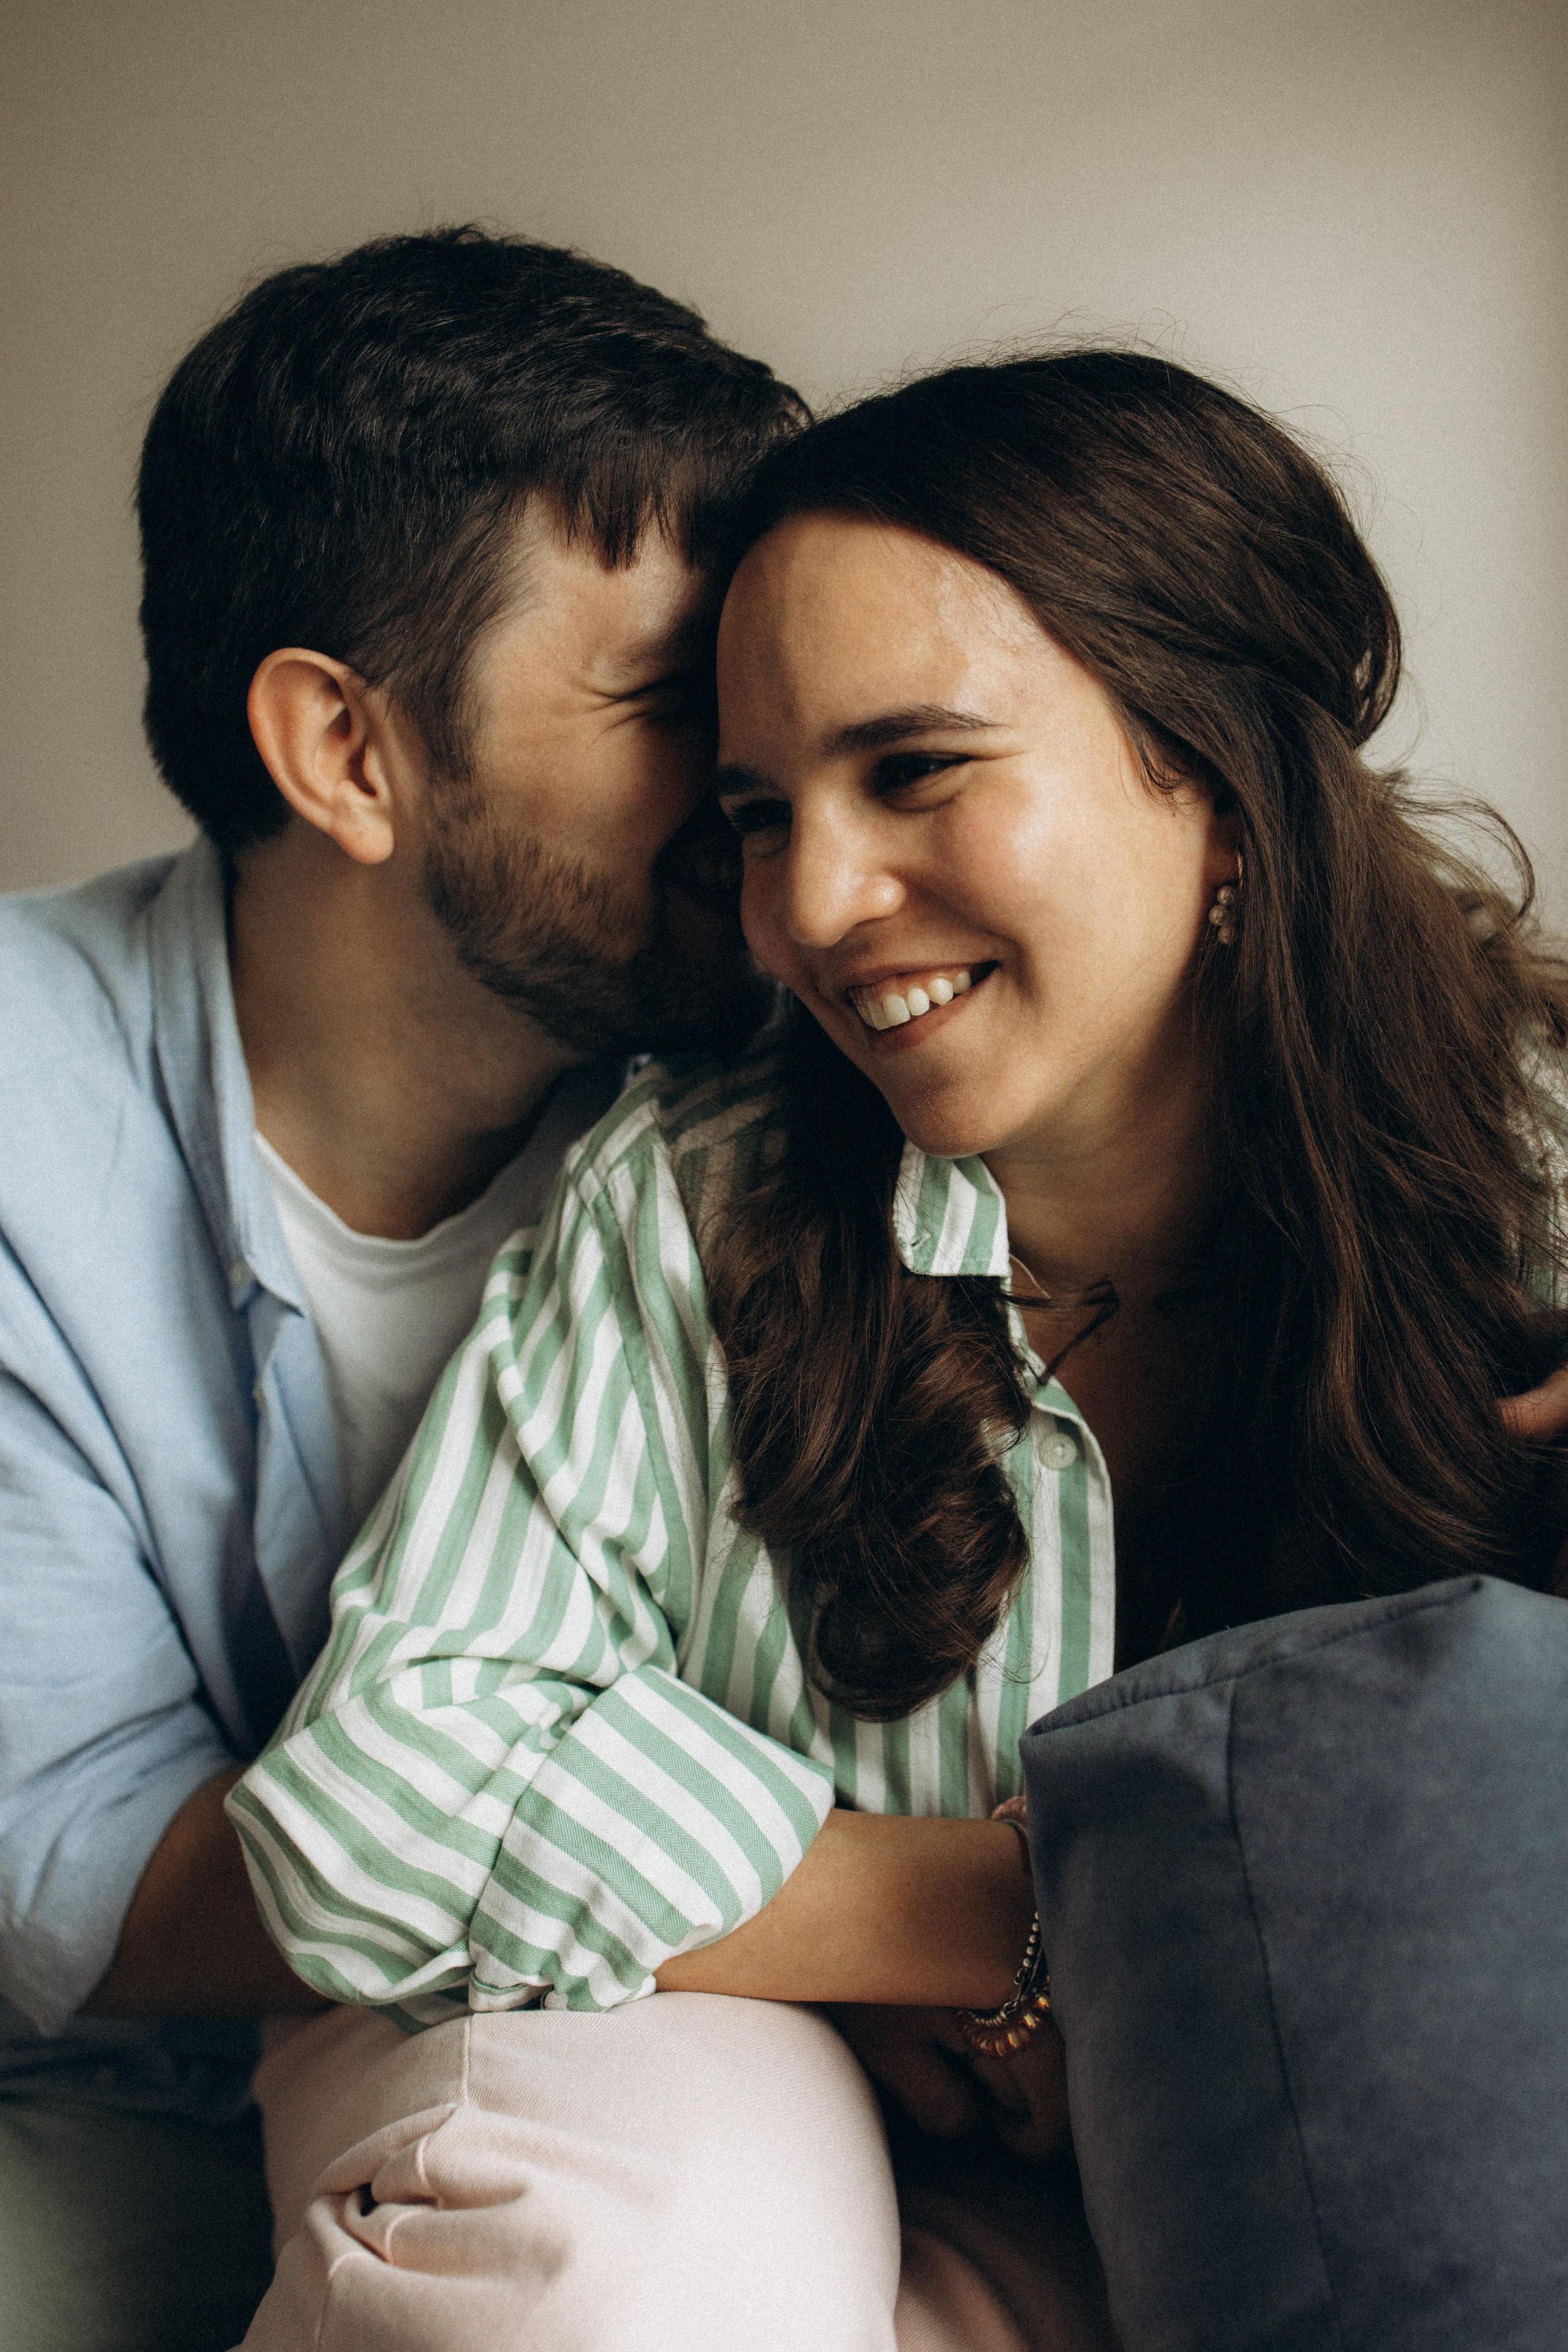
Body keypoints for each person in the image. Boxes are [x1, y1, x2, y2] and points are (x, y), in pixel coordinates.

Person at [228, 349, 1568, 2351]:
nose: (818, 905)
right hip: (736, 2099)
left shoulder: (1516, 1170)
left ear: (1206, 773)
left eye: (918, 769)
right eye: (764, 813)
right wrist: (1029, 1916)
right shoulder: (705, 1196)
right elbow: (370, 1785)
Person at [0, 224, 802, 2351]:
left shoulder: (785, 1055)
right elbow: (71, 1879)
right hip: (101, 2093)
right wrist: (887, 1924)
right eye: (666, 700)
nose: (758, 777)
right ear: (346, 754)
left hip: (613, 2041)